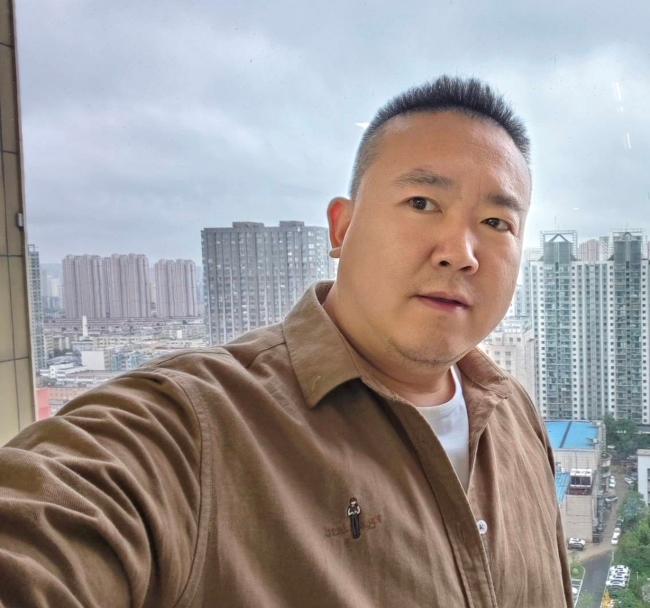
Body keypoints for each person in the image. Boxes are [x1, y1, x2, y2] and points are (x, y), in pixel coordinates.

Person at [0, 76, 573, 607]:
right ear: (342, 228)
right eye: (422, 203)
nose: (461, 253)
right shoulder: (196, 429)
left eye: (496, 223)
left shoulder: (514, 416)